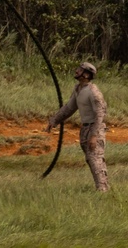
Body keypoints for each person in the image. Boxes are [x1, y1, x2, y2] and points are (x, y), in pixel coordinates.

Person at [47, 62, 109, 192]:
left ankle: (103, 189)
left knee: (95, 159)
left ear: (86, 75)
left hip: (94, 129)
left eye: (80, 70)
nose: (76, 71)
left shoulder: (94, 93)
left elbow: (100, 115)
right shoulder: (78, 89)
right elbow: (69, 108)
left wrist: (94, 135)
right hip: (85, 129)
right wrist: (54, 120)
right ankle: (101, 188)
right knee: (90, 159)